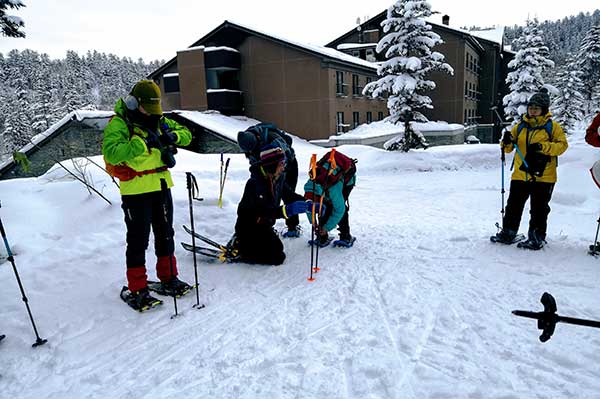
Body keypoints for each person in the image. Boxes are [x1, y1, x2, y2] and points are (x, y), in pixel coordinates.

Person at [102, 80, 192, 310]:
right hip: (136, 191)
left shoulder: (159, 120)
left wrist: (174, 137)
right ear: (134, 103)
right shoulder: (120, 123)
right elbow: (112, 154)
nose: (152, 114)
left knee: (165, 235)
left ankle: (169, 277)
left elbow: (187, 134)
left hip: (161, 184)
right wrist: (142, 144)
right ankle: (138, 288)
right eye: (148, 109)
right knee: (138, 240)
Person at [493, 88, 568, 250]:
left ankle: (536, 236)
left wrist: (543, 146)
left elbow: (562, 146)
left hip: (544, 176)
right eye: (531, 107)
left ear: (544, 110)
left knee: (539, 208)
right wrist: (506, 141)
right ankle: (509, 232)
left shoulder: (552, 127)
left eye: (536, 108)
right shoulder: (520, 127)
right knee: (513, 205)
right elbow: (507, 149)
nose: (533, 111)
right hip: (520, 174)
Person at [233, 144, 323, 265]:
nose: (283, 167)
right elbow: (264, 211)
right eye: (281, 164)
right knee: (277, 258)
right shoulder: (254, 184)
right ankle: (241, 250)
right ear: (271, 165)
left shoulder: (278, 178)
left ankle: (247, 245)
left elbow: (289, 195)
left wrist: (309, 204)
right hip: (249, 227)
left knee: (278, 249)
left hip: (264, 225)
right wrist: (287, 210)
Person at [237, 123, 301, 238]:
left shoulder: (273, 141)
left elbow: (283, 160)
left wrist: (278, 176)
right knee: (269, 198)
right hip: (272, 169)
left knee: (287, 195)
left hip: (288, 166)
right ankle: (267, 224)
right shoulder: (248, 142)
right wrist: (260, 180)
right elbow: (256, 164)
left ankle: (292, 226)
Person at [304, 150, 356, 248]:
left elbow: (339, 210)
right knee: (324, 207)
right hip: (325, 187)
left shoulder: (332, 190)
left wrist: (327, 227)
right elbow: (309, 207)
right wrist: (313, 223)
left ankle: (346, 236)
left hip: (346, 182)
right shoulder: (308, 190)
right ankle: (322, 236)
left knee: (337, 207)